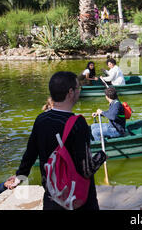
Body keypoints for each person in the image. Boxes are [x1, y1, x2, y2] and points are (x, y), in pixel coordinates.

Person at [11, 71, 106, 210]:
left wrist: (21, 174)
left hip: (53, 192)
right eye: (78, 88)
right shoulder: (78, 123)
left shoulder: (41, 119)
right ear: (70, 92)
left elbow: (30, 152)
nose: (79, 91)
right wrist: (101, 156)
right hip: (77, 196)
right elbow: (86, 170)